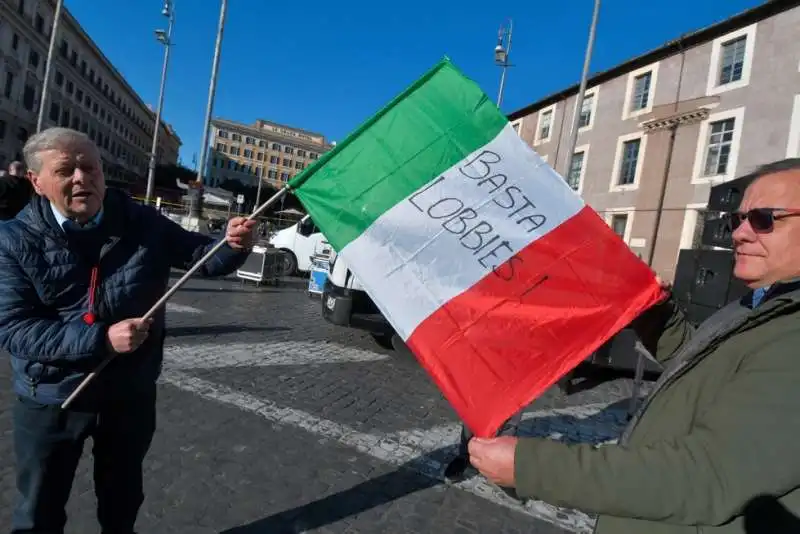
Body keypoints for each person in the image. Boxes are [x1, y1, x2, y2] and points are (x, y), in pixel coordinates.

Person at [467, 157, 800, 533]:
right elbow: (702, 367)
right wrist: (655, 315)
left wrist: (529, 467)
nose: (739, 233)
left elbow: (705, 476)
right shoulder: (758, 302)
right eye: (736, 220)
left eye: (764, 219)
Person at [0, 127, 257, 533]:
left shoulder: (142, 220)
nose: (82, 178)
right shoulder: (11, 240)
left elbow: (201, 257)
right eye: (66, 171)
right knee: (39, 510)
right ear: (36, 182)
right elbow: (14, 328)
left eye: (90, 167)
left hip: (129, 394)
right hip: (51, 396)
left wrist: (233, 244)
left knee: (122, 501)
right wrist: (101, 339)